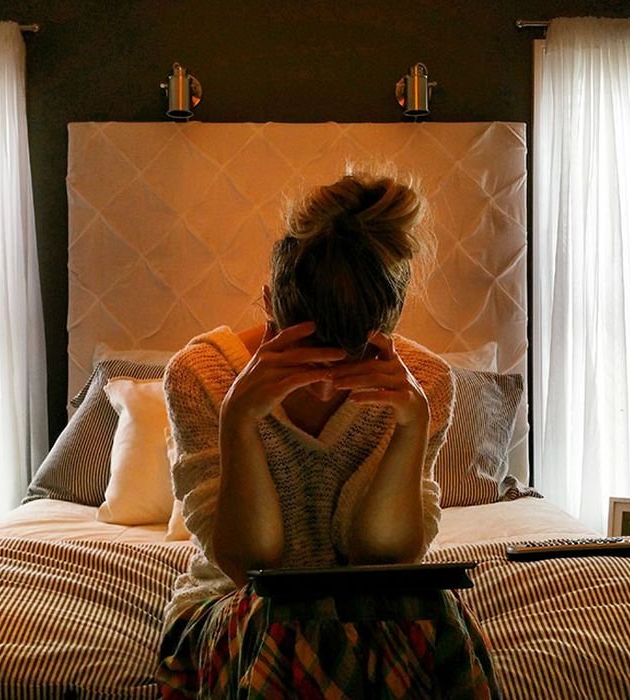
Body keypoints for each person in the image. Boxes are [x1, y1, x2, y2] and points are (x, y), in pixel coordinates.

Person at [156, 168, 500, 699]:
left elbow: (384, 561)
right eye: (303, 356)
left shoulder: (423, 383)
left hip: (365, 609)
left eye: (349, 363)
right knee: (285, 621)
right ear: (268, 304)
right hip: (237, 609)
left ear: (386, 330)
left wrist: (411, 429)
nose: (322, 389)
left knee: (433, 609)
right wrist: (239, 420)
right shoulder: (201, 374)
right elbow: (251, 566)